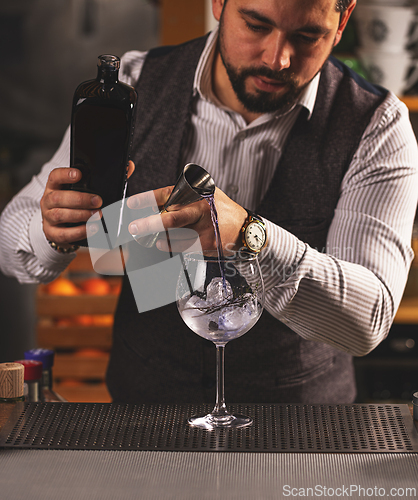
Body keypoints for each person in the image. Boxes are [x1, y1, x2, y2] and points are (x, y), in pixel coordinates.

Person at [1, 0, 417, 404]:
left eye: (308, 36)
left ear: (342, 22)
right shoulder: (135, 81)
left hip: (298, 433)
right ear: (219, 2)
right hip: (142, 421)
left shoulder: (378, 125)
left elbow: (368, 322)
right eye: (256, 25)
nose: (278, 59)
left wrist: (252, 238)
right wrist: (53, 228)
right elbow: (11, 240)